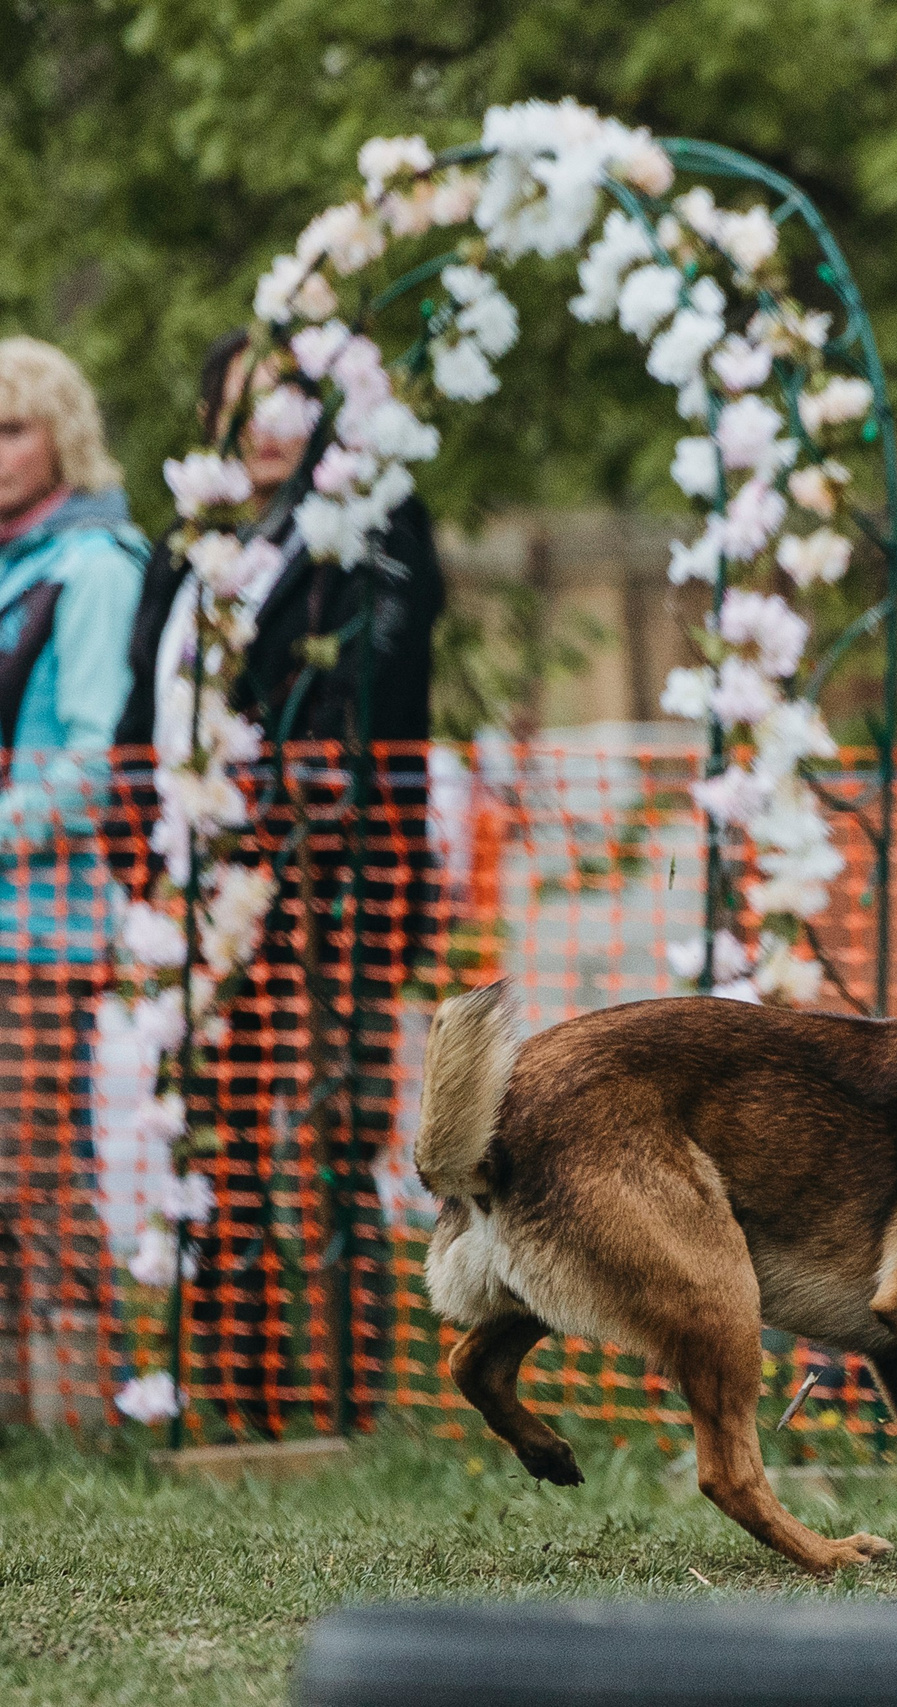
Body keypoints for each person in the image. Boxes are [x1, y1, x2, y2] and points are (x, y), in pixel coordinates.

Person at [116, 329, 445, 1434]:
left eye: (290, 398)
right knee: (217, 1140)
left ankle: (349, 1412)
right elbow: (136, 716)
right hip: (193, 892)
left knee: (335, 1142)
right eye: (242, 401)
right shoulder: (185, 549)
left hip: (332, 887)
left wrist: (272, 839)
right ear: (212, 419)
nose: (267, 423)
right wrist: (146, 862)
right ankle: (239, 1406)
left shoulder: (377, 526)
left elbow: (370, 696)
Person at [0, 336, 148, 1425]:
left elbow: (95, 764)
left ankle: (81, 1421)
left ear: (64, 438)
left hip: (39, 934)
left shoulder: (93, 567)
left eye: (13, 428)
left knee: (38, 1183)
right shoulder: (10, 563)